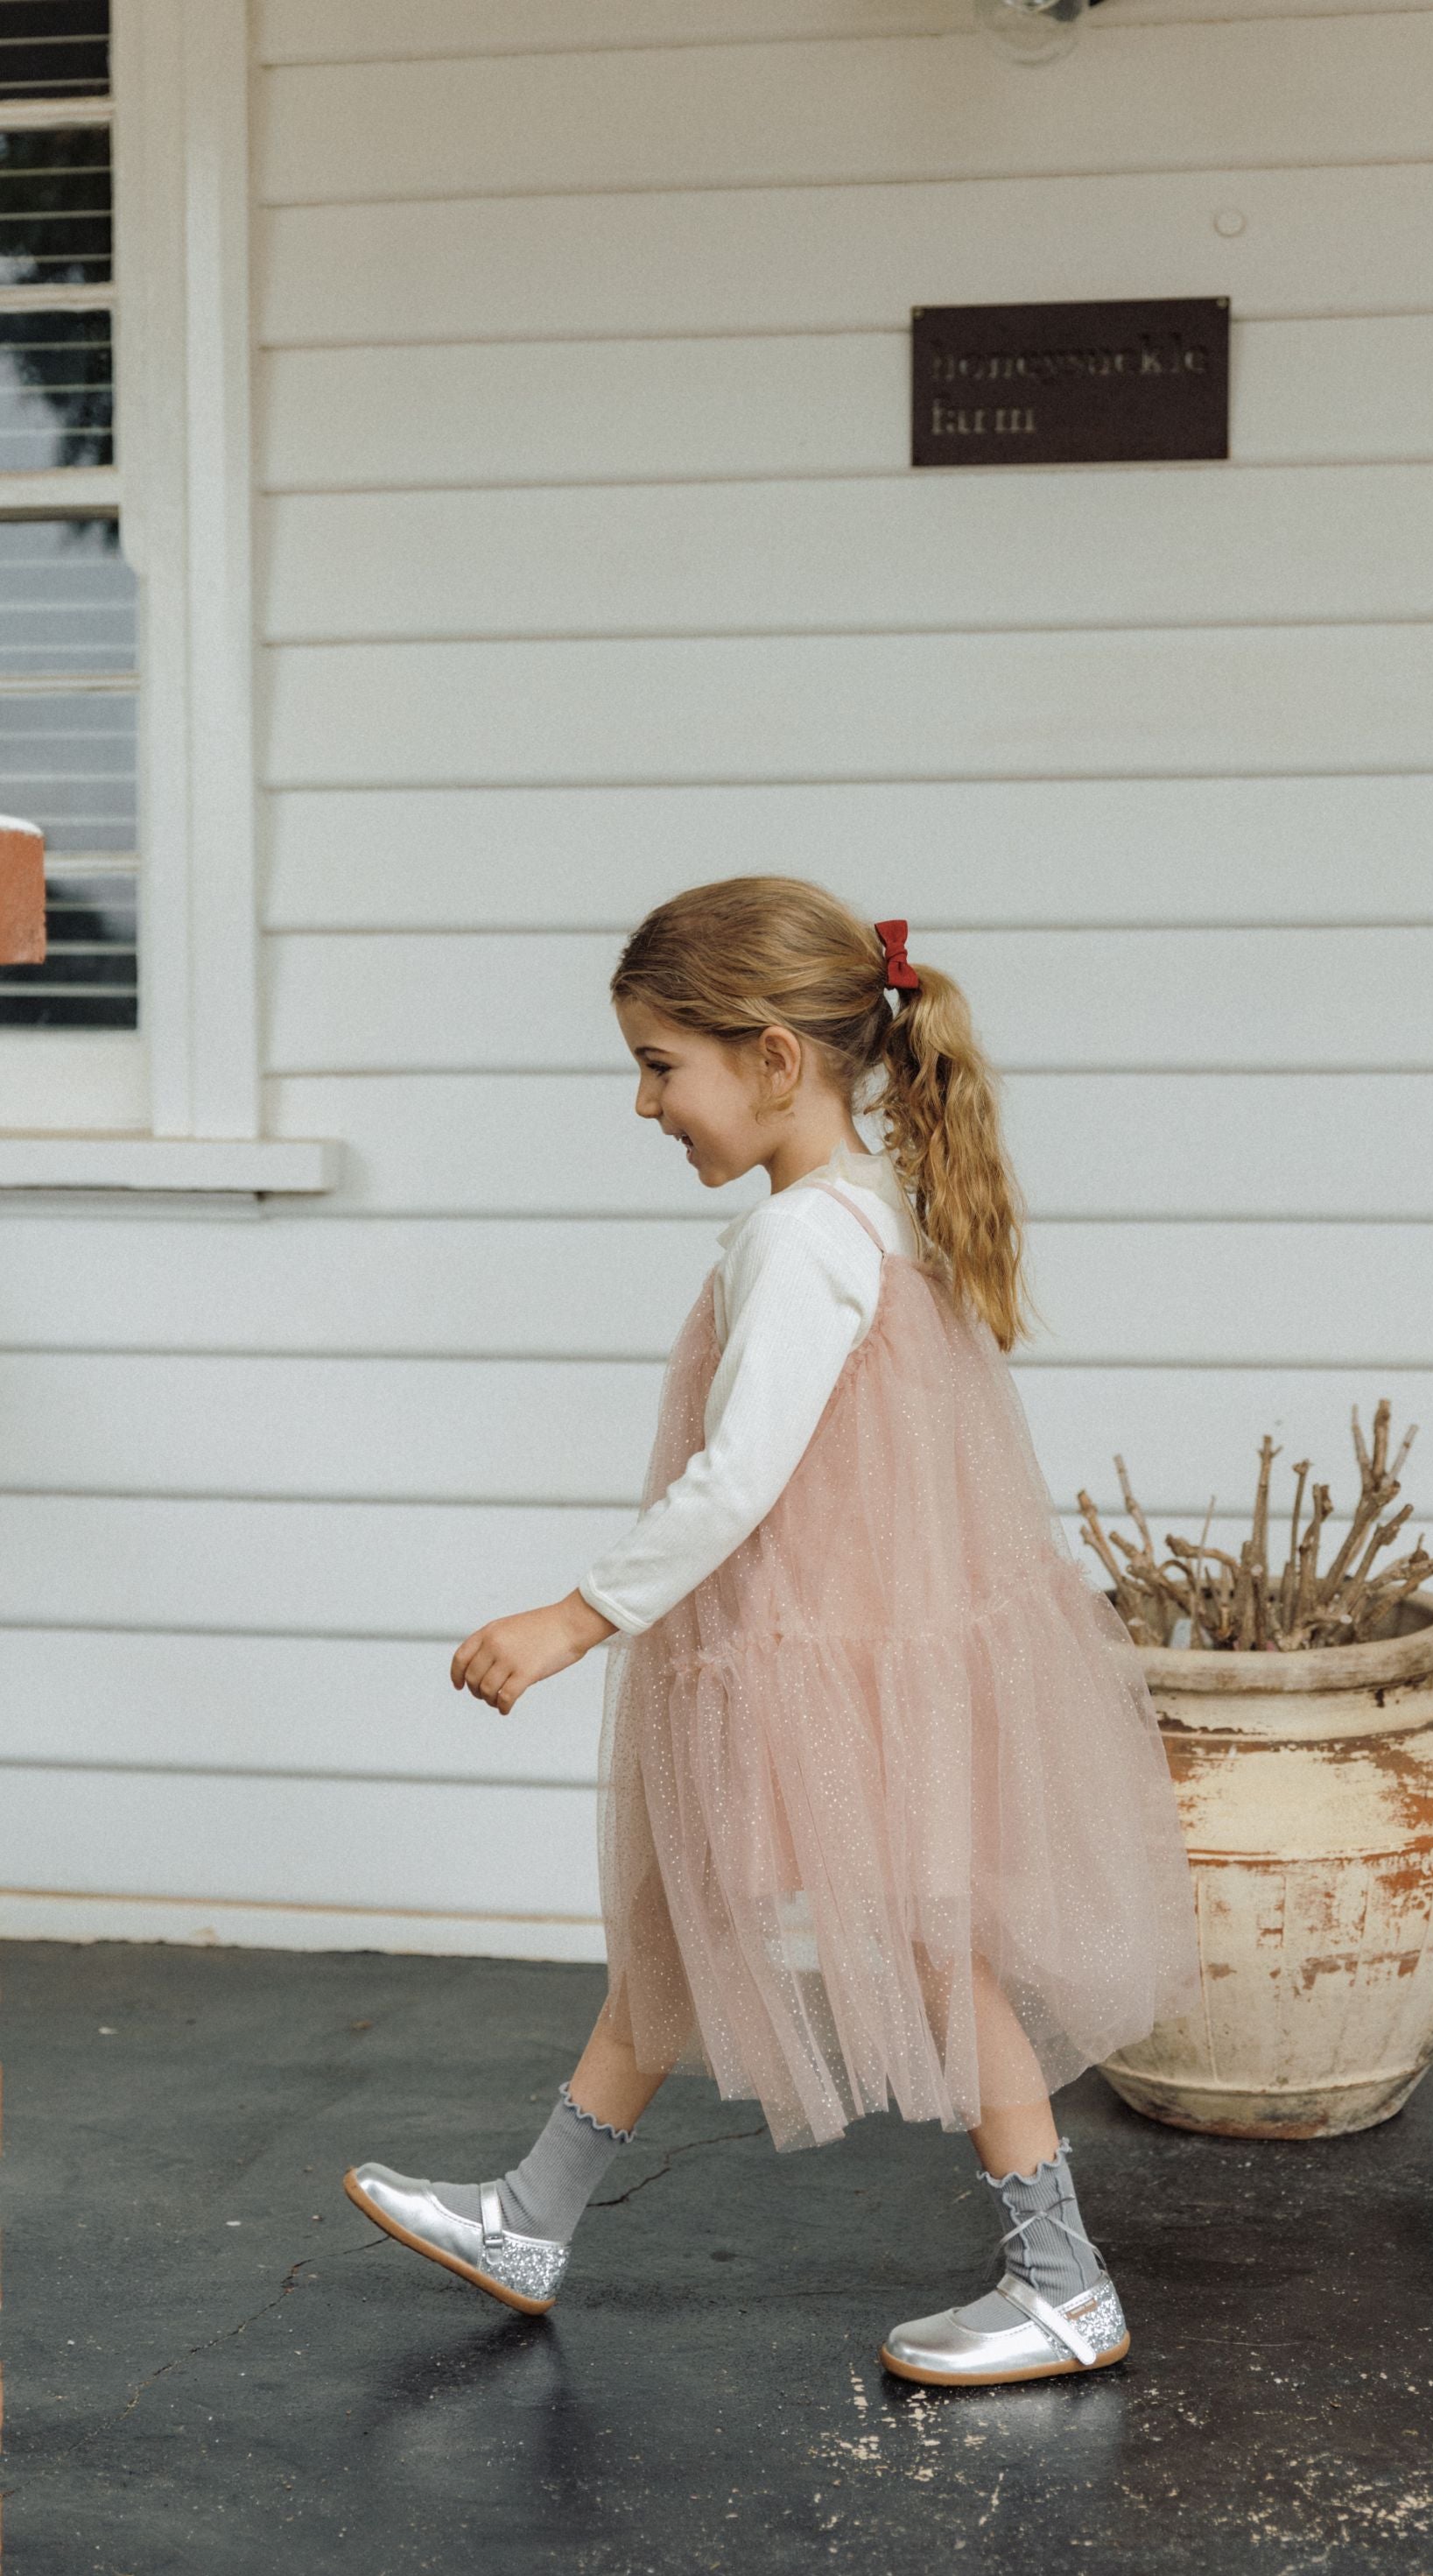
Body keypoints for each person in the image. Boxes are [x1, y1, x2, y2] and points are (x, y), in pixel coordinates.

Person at [345, 876, 1200, 2386]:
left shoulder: (809, 1238)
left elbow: (740, 1475)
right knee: (674, 1924)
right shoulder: (864, 1211)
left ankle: (1065, 2279)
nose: (644, 1103)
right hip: (823, 1651)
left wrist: (572, 1618)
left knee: (941, 1946)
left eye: (661, 1065)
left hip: (828, 1665)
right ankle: (532, 2217)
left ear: (776, 1059)